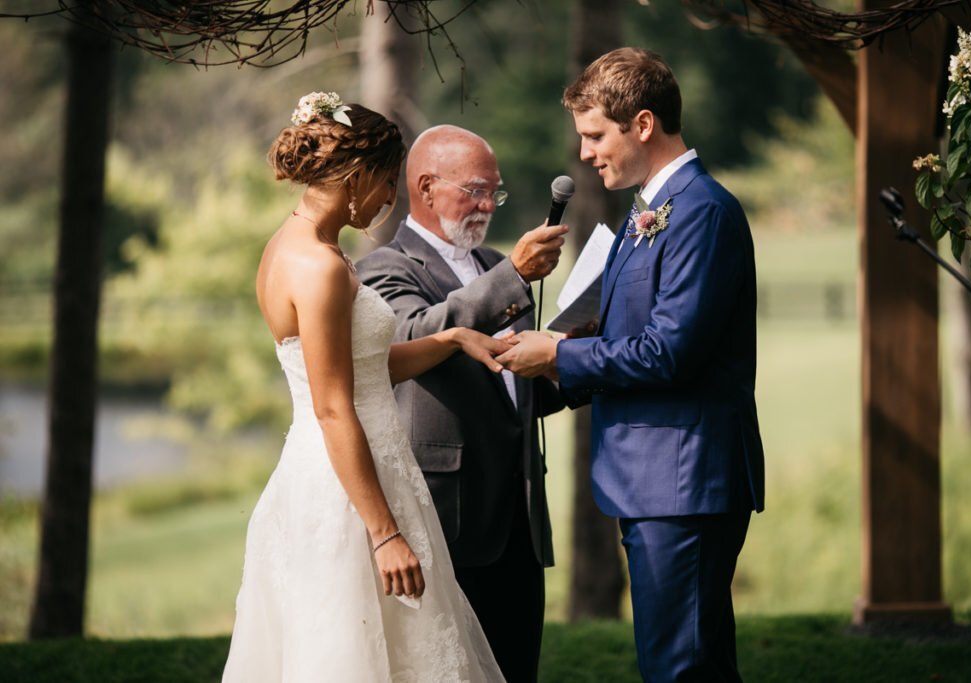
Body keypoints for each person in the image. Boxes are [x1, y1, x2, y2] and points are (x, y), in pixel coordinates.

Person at [497, 48, 766, 682]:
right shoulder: (642, 218)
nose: (586, 153)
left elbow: (669, 352)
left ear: (642, 124)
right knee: (678, 663)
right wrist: (556, 358)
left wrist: (560, 353)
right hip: (652, 481)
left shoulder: (701, 212)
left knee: (684, 668)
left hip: (684, 480)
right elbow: (627, 338)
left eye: (595, 136)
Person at [222, 92, 507, 682]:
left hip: (362, 467)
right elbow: (332, 407)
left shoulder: (307, 247)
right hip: (349, 488)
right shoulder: (318, 267)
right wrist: (383, 535)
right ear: (357, 176)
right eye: (385, 185)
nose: (387, 202)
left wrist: (452, 338)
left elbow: (366, 367)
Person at [356, 124, 567, 683]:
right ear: (426, 188)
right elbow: (409, 335)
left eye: (494, 193)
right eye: (475, 189)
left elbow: (510, 385)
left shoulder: (494, 262)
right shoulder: (385, 267)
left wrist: (572, 358)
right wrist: (515, 275)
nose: (487, 205)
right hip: (447, 515)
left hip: (519, 514)